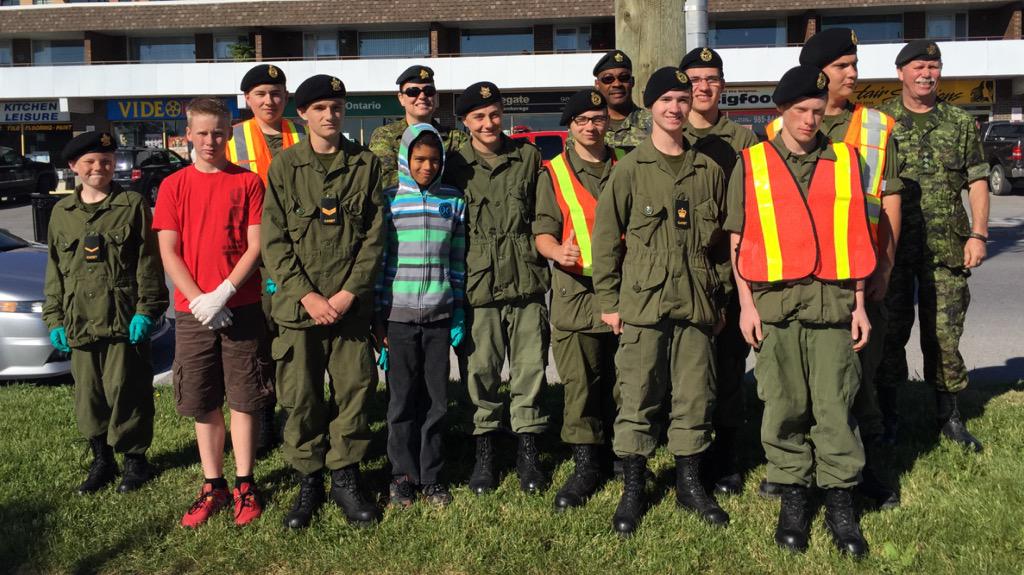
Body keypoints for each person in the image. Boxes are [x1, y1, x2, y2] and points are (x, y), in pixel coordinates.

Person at [727, 66, 874, 557]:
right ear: (782, 111)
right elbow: (737, 240)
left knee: (835, 404)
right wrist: (746, 305)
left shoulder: (847, 161)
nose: (810, 119)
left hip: (833, 304)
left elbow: (857, 237)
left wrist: (859, 305)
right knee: (784, 404)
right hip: (776, 306)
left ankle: (839, 500)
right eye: (800, 111)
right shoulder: (751, 163)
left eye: (816, 110)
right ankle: (793, 492)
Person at [756, 28, 903, 509]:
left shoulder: (877, 127)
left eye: (854, 64)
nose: (853, 74)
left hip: (857, 275)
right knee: (798, 388)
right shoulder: (780, 130)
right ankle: (796, 474)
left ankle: (859, 475)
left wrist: (883, 267)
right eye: (843, 66)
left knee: (855, 379)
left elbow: (889, 200)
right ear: (818, 73)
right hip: (799, 282)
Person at [592, 67, 728, 536]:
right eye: (666, 99)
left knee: (695, 396)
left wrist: (722, 298)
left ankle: (690, 484)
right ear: (650, 107)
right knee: (638, 394)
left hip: (696, 302)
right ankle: (634, 486)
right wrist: (609, 301)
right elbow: (606, 239)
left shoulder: (708, 169)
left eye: (682, 99)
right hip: (644, 303)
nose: (675, 107)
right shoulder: (630, 168)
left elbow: (723, 244)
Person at [261, 75, 384, 529]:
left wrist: (350, 292)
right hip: (300, 311)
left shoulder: (365, 164)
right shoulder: (285, 167)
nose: (329, 115)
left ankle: (346, 476)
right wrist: (309, 296)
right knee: (301, 398)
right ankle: (308, 478)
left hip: (350, 309)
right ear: (303, 115)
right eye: (319, 109)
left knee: (354, 391)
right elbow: (274, 243)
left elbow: (375, 236)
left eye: (336, 107)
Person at [154, 97, 270, 528]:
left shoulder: (249, 182)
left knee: (244, 396)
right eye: (201, 133)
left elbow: (255, 244)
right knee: (203, 397)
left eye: (218, 132)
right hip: (193, 312)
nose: (210, 141)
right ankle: (213, 483)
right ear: (187, 135)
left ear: (230, 133)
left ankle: (244, 482)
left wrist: (224, 291)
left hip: (240, 305)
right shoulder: (174, 186)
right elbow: (169, 249)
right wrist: (200, 299)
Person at [876, 40, 990, 452]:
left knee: (944, 335)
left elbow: (977, 179)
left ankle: (950, 417)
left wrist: (978, 233)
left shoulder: (959, 122)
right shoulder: (879, 121)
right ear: (901, 72)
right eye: (919, 66)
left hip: (947, 248)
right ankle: (887, 416)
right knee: (890, 334)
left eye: (934, 66)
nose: (927, 73)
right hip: (892, 249)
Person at [43, 131, 168, 495]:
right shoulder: (61, 213)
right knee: (89, 394)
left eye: (106, 161)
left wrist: (147, 310)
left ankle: (135, 461)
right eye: (90, 162)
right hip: (79, 317)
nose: (99, 168)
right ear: (74, 167)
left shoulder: (131, 204)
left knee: (127, 389)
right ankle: (102, 460)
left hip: (122, 317)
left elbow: (148, 262)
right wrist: (54, 318)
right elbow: (54, 269)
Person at [443, 81, 551, 496]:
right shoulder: (455, 165)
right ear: (465, 122)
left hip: (525, 281)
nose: (488, 123)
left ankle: (528, 452)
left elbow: (541, 217)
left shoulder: (527, 157)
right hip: (478, 285)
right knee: (480, 372)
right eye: (478, 117)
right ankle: (484, 455)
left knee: (530, 371)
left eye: (494, 114)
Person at [533, 89, 620, 512]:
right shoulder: (554, 173)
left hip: (624, 292)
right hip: (576, 294)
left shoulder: (627, 166)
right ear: (571, 126)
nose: (591, 126)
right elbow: (542, 231)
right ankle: (586, 464)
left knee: (624, 382)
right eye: (582, 119)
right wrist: (554, 252)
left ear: (608, 121)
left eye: (597, 118)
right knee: (581, 384)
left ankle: (621, 456)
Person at [678, 45, 759, 496]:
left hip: (728, 269)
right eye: (693, 81)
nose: (702, 88)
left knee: (728, 367)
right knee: (685, 370)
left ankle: (726, 456)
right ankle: (690, 454)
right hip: (679, 274)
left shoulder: (743, 141)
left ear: (722, 85)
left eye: (711, 79)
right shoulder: (671, 133)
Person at [375, 124, 466, 509]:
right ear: (405, 160)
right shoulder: (390, 200)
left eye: (434, 159)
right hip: (398, 317)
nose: (427, 167)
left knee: (436, 400)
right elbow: (380, 262)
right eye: (419, 159)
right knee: (401, 399)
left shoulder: (454, 201)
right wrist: (378, 318)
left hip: (438, 316)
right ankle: (401, 474)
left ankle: (431, 475)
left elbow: (458, 260)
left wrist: (456, 308)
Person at [227, 63, 306, 454]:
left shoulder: (301, 133)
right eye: (260, 94)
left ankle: (295, 414)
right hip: (248, 256)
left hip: (295, 254)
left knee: (288, 340)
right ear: (247, 100)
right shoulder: (232, 138)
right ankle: (261, 417)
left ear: (286, 98)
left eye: (276, 94)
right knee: (256, 342)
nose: (269, 101)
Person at [369, 65, 469, 190]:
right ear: (401, 98)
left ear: (435, 97)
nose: (422, 96)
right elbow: (383, 179)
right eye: (413, 92)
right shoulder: (384, 136)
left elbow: (468, 178)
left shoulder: (456, 138)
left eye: (428, 91)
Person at [592, 50, 652, 151]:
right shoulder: (586, 126)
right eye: (608, 79)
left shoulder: (654, 123)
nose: (617, 84)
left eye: (624, 77)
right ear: (597, 84)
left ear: (632, 82)